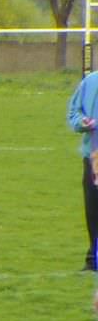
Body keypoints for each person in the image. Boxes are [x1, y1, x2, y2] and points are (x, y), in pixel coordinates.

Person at [67, 71, 98, 270]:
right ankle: (93, 259)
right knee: (94, 210)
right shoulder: (90, 82)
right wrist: (83, 122)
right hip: (94, 156)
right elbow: (74, 113)